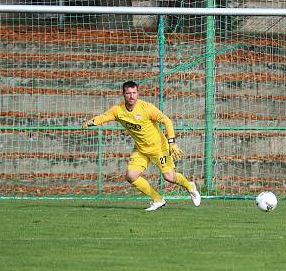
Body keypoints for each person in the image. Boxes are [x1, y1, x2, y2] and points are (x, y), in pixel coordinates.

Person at [83, 81, 200, 211]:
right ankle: (158, 200)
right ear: (123, 94)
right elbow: (105, 117)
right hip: (140, 149)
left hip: (159, 148)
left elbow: (167, 121)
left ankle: (190, 186)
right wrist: (92, 122)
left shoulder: (146, 108)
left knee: (169, 178)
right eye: (128, 93)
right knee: (131, 176)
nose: (131, 96)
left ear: (138, 93)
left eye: (134, 93)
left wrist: (171, 142)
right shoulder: (118, 110)